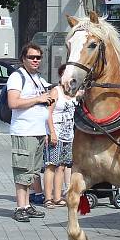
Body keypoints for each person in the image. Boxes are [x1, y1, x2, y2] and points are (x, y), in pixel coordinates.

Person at [7, 43, 53, 222]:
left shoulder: (38, 78)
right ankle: (20, 207)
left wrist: (48, 130)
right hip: (24, 131)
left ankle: (27, 204)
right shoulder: (17, 77)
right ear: (23, 59)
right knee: (22, 170)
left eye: (38, 57)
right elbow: (13, 103)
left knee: (33, 172)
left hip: (39, 131)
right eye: (31, 57)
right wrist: (38, 99)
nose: (35, 60)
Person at [43, 64, 80, 209]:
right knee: (51, 165)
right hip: (56, 133)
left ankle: (58, 197)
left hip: (68, 135)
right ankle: (48, 198)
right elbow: (48, 113)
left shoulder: (73, 93)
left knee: (62, 167)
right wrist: (52, 132)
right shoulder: (55, 91)